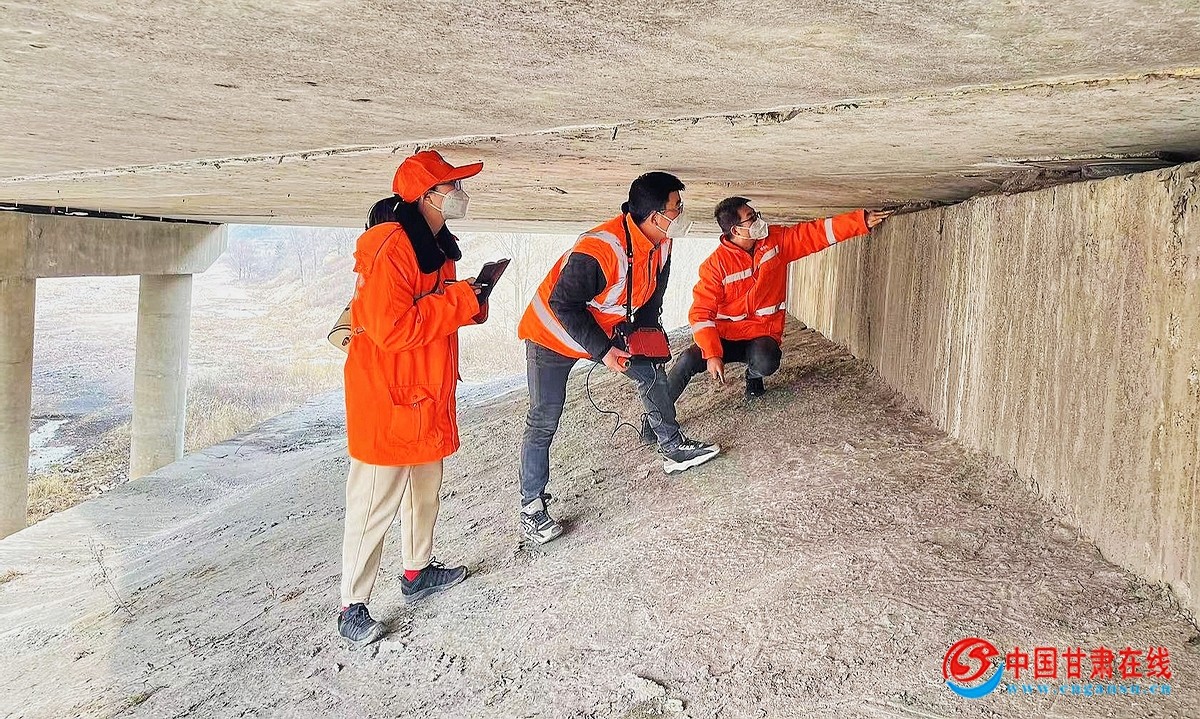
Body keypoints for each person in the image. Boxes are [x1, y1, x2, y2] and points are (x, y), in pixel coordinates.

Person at [515, 172, 721, 544]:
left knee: (651, 372)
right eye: (677, 207)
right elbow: (563, 303)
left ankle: (673, 448)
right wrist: (604, 351)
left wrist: (646, 336)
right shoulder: (599, 249)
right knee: (544, 419)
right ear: (655, 216)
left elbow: (652, 295)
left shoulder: (662, 242)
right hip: (552, 336)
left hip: (603, 327)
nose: (682, 213)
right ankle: (532, 507)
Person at [337, 150, 485, 647]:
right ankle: (352, 606)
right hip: (390, 398)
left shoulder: (435, 244)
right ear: (427, 196)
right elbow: (392, 329)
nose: (459, 193)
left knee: (425, 491)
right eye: (451, 186)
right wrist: (460, 300)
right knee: (374, 504)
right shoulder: (391, 248)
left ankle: (417, 571)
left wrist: (472, 301)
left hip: (424, 392)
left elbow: (435, 312)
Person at [666, 197, 892, 403]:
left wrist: (859, 221)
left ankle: (753, 375)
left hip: (760, 334)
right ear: (735, 230)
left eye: (756, 215)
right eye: (751, 218)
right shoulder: (715, 266)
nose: (758, 221)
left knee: (767, 361)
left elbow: (813, 234)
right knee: (687, 359)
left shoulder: (774, 242)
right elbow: (701, 314)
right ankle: (659, 413)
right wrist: (713, 353)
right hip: (724, 337)